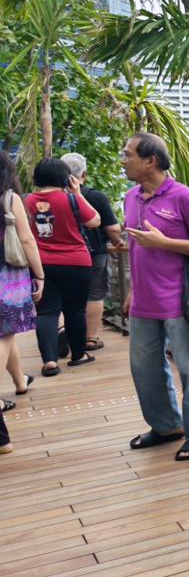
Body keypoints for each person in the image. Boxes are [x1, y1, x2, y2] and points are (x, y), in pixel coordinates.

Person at [120, 133, 189, 462]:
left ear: (150, 161)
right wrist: (133, 289)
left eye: (128, 155)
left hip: (182, 301)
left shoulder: (184, 197)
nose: (123, 160)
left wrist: (165, 243)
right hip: (144, 302)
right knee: (144, 368)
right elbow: (137, 248)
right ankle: (166, 426)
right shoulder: (131, 197)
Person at [26, 157, 101, 376]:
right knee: (75, 311)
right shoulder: (70, 199)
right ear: (66, 177)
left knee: (46, 312)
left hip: (42, 264)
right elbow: (95, 220)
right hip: (76, 262)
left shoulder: (27, 201)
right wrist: (77, 194)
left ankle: (49, 361)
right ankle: (78, 355)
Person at [0, 151, 44, 454]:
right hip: (8, 276)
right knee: (4, 333)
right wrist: (39, 275)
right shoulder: (9, 197)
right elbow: (28, 240)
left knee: (7, 333)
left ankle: (20, 381)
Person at [61, 152, 125, 351]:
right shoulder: (94, 196)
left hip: (59, 255)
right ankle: (89, 338)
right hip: (93, 253)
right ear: (84, 174)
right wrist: (117, 240)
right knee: (95, 294)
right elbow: (113, 228)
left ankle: (62, 335)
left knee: (64, 296)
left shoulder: (51, 196)